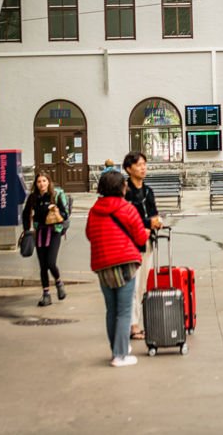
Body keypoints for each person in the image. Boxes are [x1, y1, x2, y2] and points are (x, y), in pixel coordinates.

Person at [86, 170, 149, 367]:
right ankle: (120, 354)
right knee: (124, 311)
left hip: (102, 264)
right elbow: (140, 237)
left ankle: (116, 348)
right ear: (120, 187)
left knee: (111, 310)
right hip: (125, 264)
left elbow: (90, 234)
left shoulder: (94, 210)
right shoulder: (128, 209)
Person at [123, 151, 162, 339]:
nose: (143, 168)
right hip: (130, 245)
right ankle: (133, 324)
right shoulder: (125, 192)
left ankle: (139, 321)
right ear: (129, 168)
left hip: (148, 242)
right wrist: (148, 223)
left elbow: (153, 213)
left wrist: (156, 222)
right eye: (139, 165)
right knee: (133, 284)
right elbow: (127, 219)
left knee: (144, 285)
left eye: (144, 164)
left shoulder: (148, 191)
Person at [20, 172, 73, 306]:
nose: (41, 184)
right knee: (43, 266)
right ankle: (46, 294)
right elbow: (26, 213)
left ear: (49, 182)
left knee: (50, 262)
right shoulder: (33, 197)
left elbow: (65, 214)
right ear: (36, 184)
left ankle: (59, 282)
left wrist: (55, 210)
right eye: (39, 181)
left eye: (44, 181)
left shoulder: (55, 195)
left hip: (54, 231)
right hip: (40, 232)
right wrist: (27, 230)